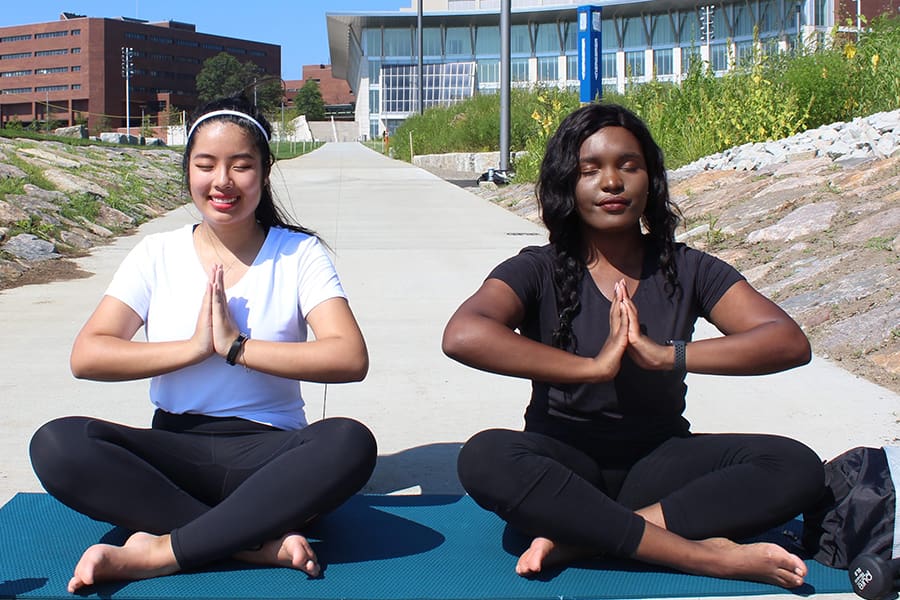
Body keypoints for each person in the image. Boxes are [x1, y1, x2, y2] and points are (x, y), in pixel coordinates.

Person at [442, 103, 825, 588]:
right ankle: (702, 556)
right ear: (567, 184)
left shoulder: (686, 268)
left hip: (660, 464)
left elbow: (786, 341)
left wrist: (667, 355)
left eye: (629, 166)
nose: (612, 183)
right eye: (590, 170)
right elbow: (463, 334)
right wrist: (592, 368)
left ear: (651, 179)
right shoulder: (538, 267)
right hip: (564, 464)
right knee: (484, 457)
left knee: (796, 466)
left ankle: (582, 535)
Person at [29, 95, 376, 592]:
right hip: (175, 453)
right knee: (58, 444)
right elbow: (88, 354)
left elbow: (349, 356)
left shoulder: (298, 252)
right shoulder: (157, 253)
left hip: (270, 459)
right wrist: (194, 347)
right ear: (187, 169)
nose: (223, 182)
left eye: (241, 166)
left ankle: (161, 551)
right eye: (206, 165)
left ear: (265, 170)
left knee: (348, 440)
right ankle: (249, 542)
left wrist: (237, 347)